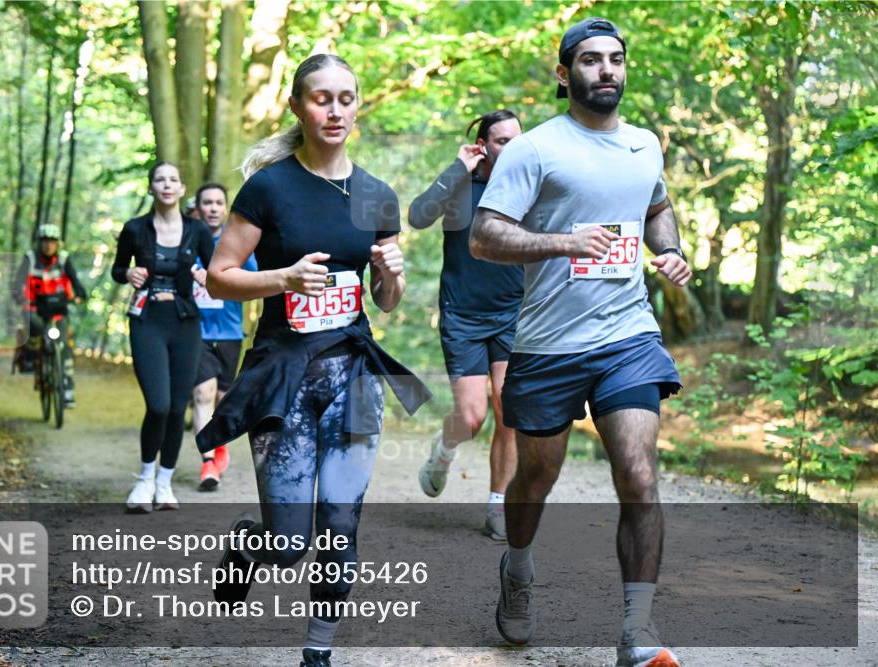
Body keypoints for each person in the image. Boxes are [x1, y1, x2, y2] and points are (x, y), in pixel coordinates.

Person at [469, 18, 692, 667]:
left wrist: (670, 249)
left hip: (628, 334)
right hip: (548, 341)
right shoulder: (535, 149)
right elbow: (485, 236)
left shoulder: (645, 145)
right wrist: (564, 241)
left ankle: (636, 630)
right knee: (535, 479)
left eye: (616, 59)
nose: (606, 70)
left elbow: (655, 206)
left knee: (639, 470)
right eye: (591, 60)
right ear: (565, 74)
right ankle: (518, 567)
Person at [195, 54, 430, 667]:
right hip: (284, 377)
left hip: (353, 374)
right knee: (289, 543)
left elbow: (385, 301)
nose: (335, 110)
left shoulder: (377, 195)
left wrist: (392, 278)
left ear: (357, 105)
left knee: (342, 522)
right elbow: (219, 278)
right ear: (298, 106)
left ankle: (318, 652)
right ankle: (251, 545)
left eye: (346, 98)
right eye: (321, 98)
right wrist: (283, 279)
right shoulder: (270, 187)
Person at [410, 110, 523, 540]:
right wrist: (458, 167)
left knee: (508, 410)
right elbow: (418, 216)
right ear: (483, 146)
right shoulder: (461, 187)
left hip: (514, 314)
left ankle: (498, 504)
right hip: (463, 316)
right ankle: (444, 449)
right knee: (472, 417)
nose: (511, 148)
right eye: (501, 141)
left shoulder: (530, 187)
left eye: (517, 139)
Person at [112, 162, 215, 513]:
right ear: (151, 188)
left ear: (182, 189)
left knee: (175, 408)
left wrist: (205, 277)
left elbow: (217, 271)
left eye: (173, 179)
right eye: (160, 179)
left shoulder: (198, 231)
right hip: (147, 320)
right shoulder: (134, 228)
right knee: (157, 404)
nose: (166, 185)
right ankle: (143, 479)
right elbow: (116, 270)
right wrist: (127, 272)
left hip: (185, 321)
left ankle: (164, 482)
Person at [190, 182, 257, 491]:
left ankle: (219, 446)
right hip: (195, 333)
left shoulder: (237, 243)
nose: (213, 208)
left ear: (226, 208)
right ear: (198, 207)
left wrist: (219, 279)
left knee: (221, 398)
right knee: (202, 394)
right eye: (208, 202)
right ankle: (207, 464)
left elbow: (254, 282)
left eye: (219, 202)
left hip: (230, 332)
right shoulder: (185, 241)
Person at [11, 223, 87, 407]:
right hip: (34, 307)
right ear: (39, 242)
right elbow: (17, 283)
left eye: (52, 241)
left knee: (65, 346)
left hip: (57, 309)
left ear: (58, 244)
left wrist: (79, 295)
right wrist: (19, 297)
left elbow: (75, 280)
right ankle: (31, 357)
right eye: (44, 241)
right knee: (34, 326)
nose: (48, 245)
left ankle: (67, 389)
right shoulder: (30, 258)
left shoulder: (63, 259)